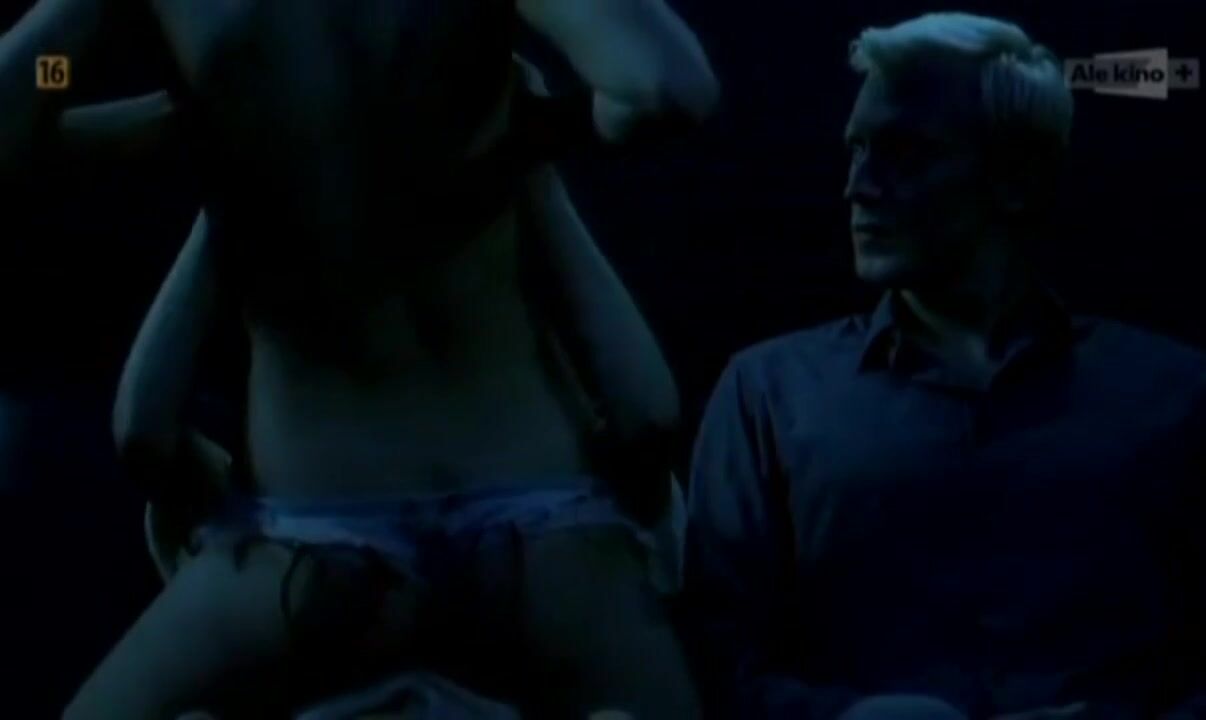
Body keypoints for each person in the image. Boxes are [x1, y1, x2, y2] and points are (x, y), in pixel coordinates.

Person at [1, 0, 718, 716]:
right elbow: (662, 86)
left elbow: (29, 97)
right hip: (537, 538)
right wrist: (540, 125)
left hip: (313, 546)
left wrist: (148, 95)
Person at [684, 12, 1206, 720]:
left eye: (906, 153)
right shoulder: (768, 396)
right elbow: (712, 658)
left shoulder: (1175, 395)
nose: (858, 187)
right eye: (857, 149)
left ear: (1017, 179)